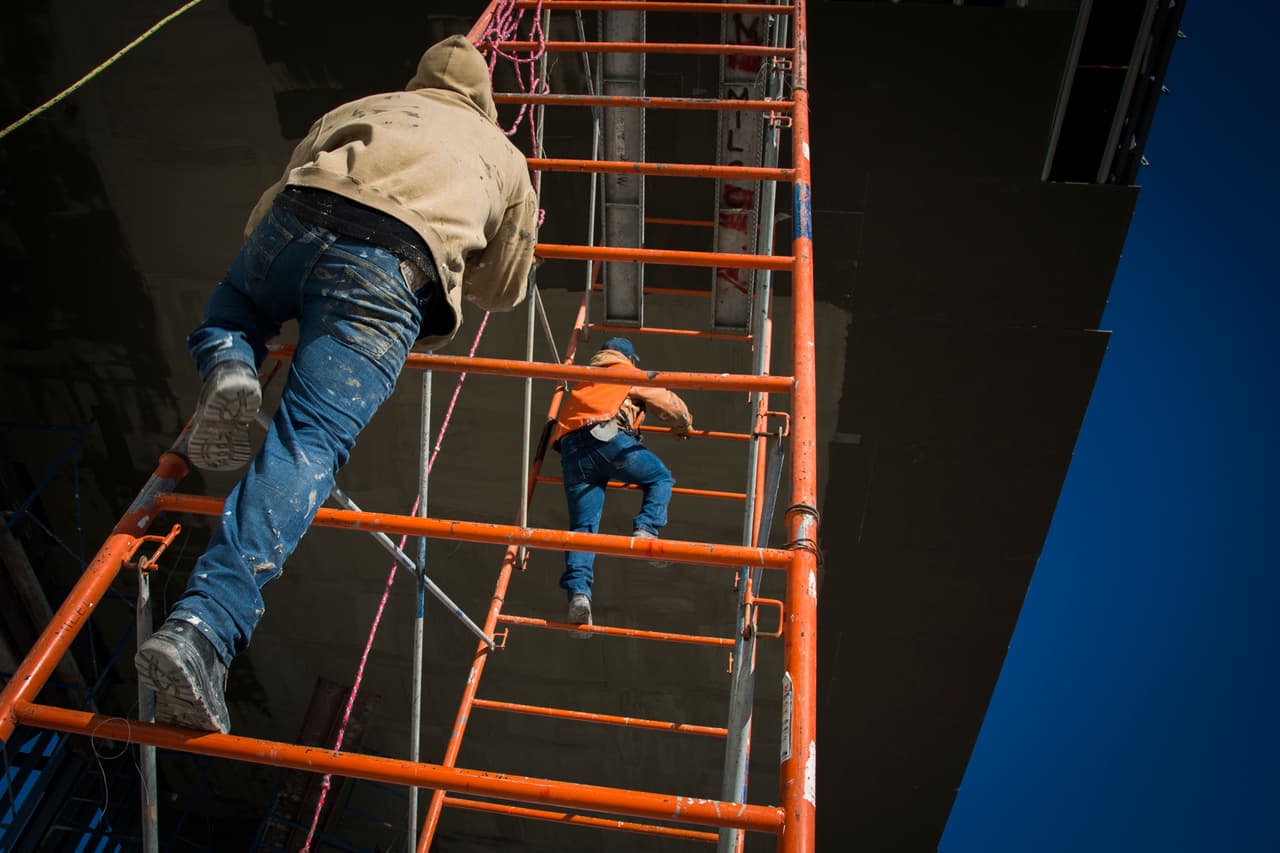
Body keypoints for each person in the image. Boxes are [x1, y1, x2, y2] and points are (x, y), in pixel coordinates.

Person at [134, 35, 537, 733]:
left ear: (417, 80)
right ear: (486, 102)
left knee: (235, 308)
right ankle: (201, 627)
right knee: (306, 446)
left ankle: (229, 362)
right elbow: (503, 290)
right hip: (390, 272)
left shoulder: (366, 104)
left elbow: (269, 202)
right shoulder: (505, 157)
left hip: (301, 214)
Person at [551, 338, 694, 632]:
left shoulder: (586, 378)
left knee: (582, 530)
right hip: (605, 436)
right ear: (629, 357)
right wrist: (684, 424)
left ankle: (579, 595)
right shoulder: (623, 371)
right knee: (660, 477)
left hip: (572, 451)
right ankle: (646, 529)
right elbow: (666, 401)